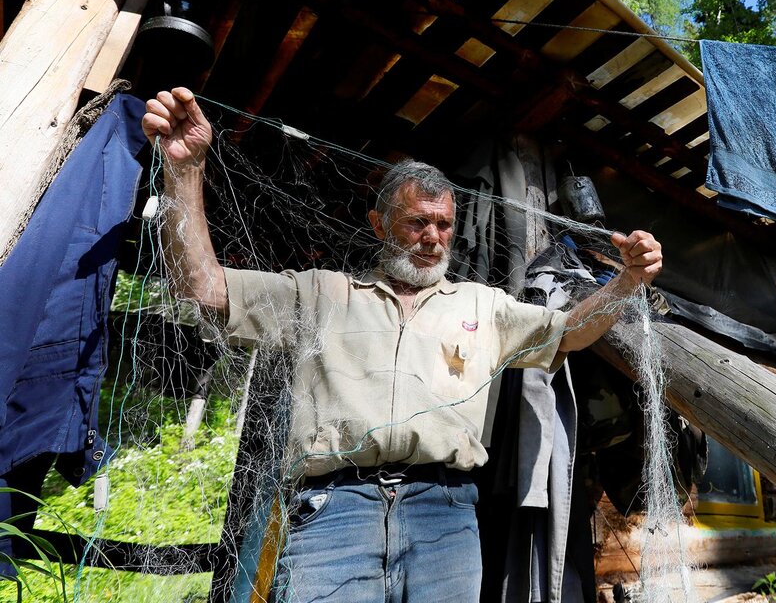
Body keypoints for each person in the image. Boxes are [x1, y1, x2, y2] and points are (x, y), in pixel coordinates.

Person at [142, 87, 662, 602]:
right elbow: (204, 291)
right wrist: (185, 172)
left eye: (443, 224)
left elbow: (570, 330)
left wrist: (625, 283)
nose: (433, 237)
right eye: (417, 222)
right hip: (332, 517)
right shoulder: (319, 291)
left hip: (446, 517)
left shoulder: (484, 306)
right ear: (379, 223)